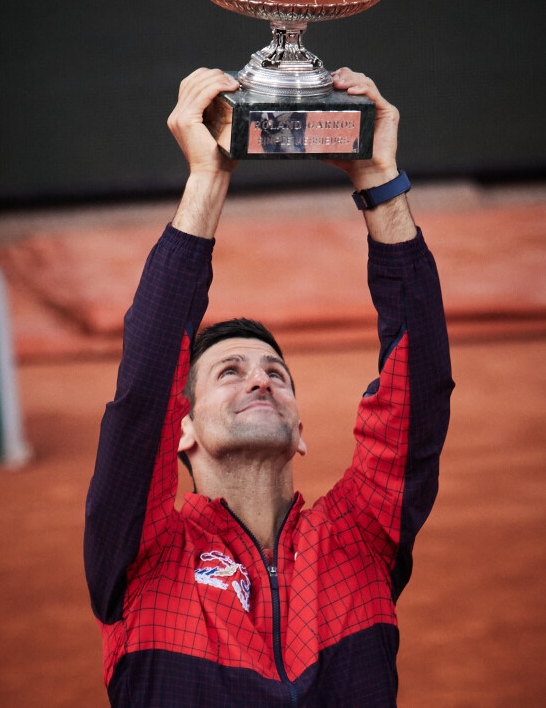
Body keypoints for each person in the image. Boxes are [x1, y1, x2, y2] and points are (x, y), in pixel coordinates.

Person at [84, 67, 454, 707]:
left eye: (275, 374)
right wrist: (207, 180)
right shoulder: (142, 556)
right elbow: (142, 395)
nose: (259, 377)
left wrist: (377, 180)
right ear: (185, 428)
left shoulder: (360, 540)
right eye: (229, 372)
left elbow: (416, 391)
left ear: (301, 432)